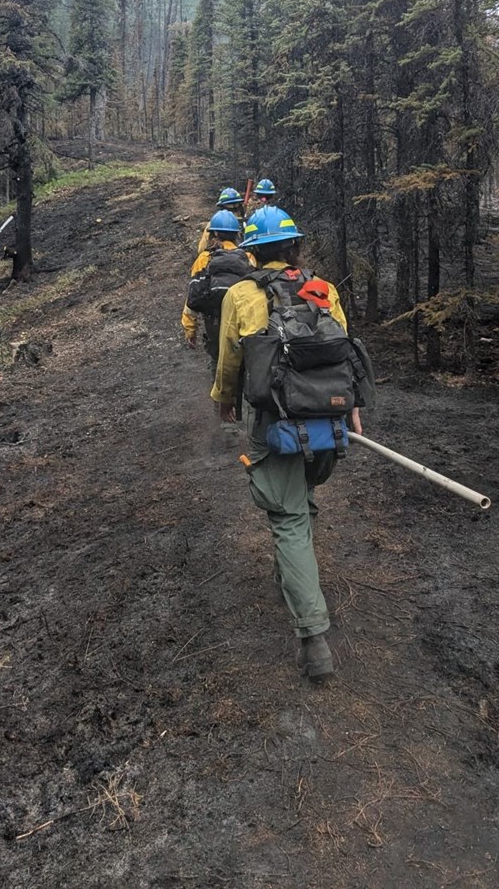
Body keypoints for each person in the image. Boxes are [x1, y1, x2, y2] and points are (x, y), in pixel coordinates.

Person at [210, 205, 361, 682]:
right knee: (304, 499)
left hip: (275, 424)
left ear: (252, 252)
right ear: (294, 246)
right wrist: (352, 407)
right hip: (327, 421)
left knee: (289, 517)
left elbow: (231, 356)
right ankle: (295, 580)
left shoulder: (240, 293)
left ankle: (313, 637)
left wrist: (223, 399)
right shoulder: (324, 289)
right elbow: (345, 349)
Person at [182, 209, 244, 374]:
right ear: (237, 233)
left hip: (214, 320)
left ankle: (221, 396)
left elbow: (194, 295)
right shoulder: (247, 256)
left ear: (214, 233)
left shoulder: (204, 258)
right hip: (242, 317)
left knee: (217, 361)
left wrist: (190, 328)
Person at [196, 187, 246, 254]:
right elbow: (202, 249)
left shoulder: (246, 223)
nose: (233, 213)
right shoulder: (213, 225)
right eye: (230, 209)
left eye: (235, 208)